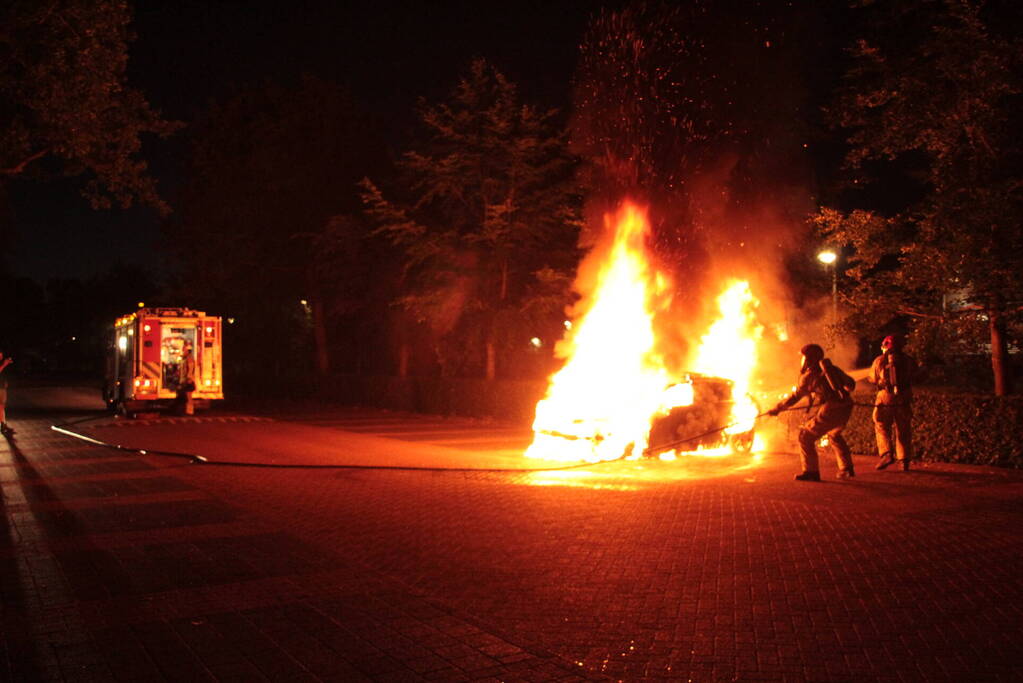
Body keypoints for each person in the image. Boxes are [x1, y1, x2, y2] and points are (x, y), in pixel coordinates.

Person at [766, 343, 857, 481]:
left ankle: (811, 472)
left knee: (805, 436)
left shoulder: (808, 376)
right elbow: (851, 384)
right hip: (846, 405)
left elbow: (795, 397)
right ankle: (846, 468)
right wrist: (839, 393)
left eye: (803, 357)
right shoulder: (833, 369)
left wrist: (777, 409)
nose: (802, 361)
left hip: (831, 407)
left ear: (808, 359)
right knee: (834, 434)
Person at [869, 335, 916, 471]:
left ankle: (887, 454)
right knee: (903, 429)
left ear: (886, 345)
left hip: (885, 397)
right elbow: (917, 375)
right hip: (904, 397)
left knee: (881, 425)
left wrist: (877, 381)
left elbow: (872, 378)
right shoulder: (908, 360)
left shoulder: (879, 360)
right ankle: (904, 461)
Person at [176, 342, 197, 416]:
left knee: (189, 397)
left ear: (188, 351)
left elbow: (190, 369)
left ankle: (190, 411)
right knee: (186, 396)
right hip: (184, 380)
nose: (183, 351)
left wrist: (189, 379)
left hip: (188, 380)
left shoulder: (190, 359)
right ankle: (187, 411)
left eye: (184, 350)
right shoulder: (185, 359)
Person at [0, 350, 13, 436]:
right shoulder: (2, 364)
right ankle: (3, 424)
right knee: (0, 406)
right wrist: (5, 364)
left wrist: (6, 383)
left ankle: (3, 423)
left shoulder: (2, 363)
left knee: (2, 406)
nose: (0, 356)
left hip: (2, 388)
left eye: (1, 355)